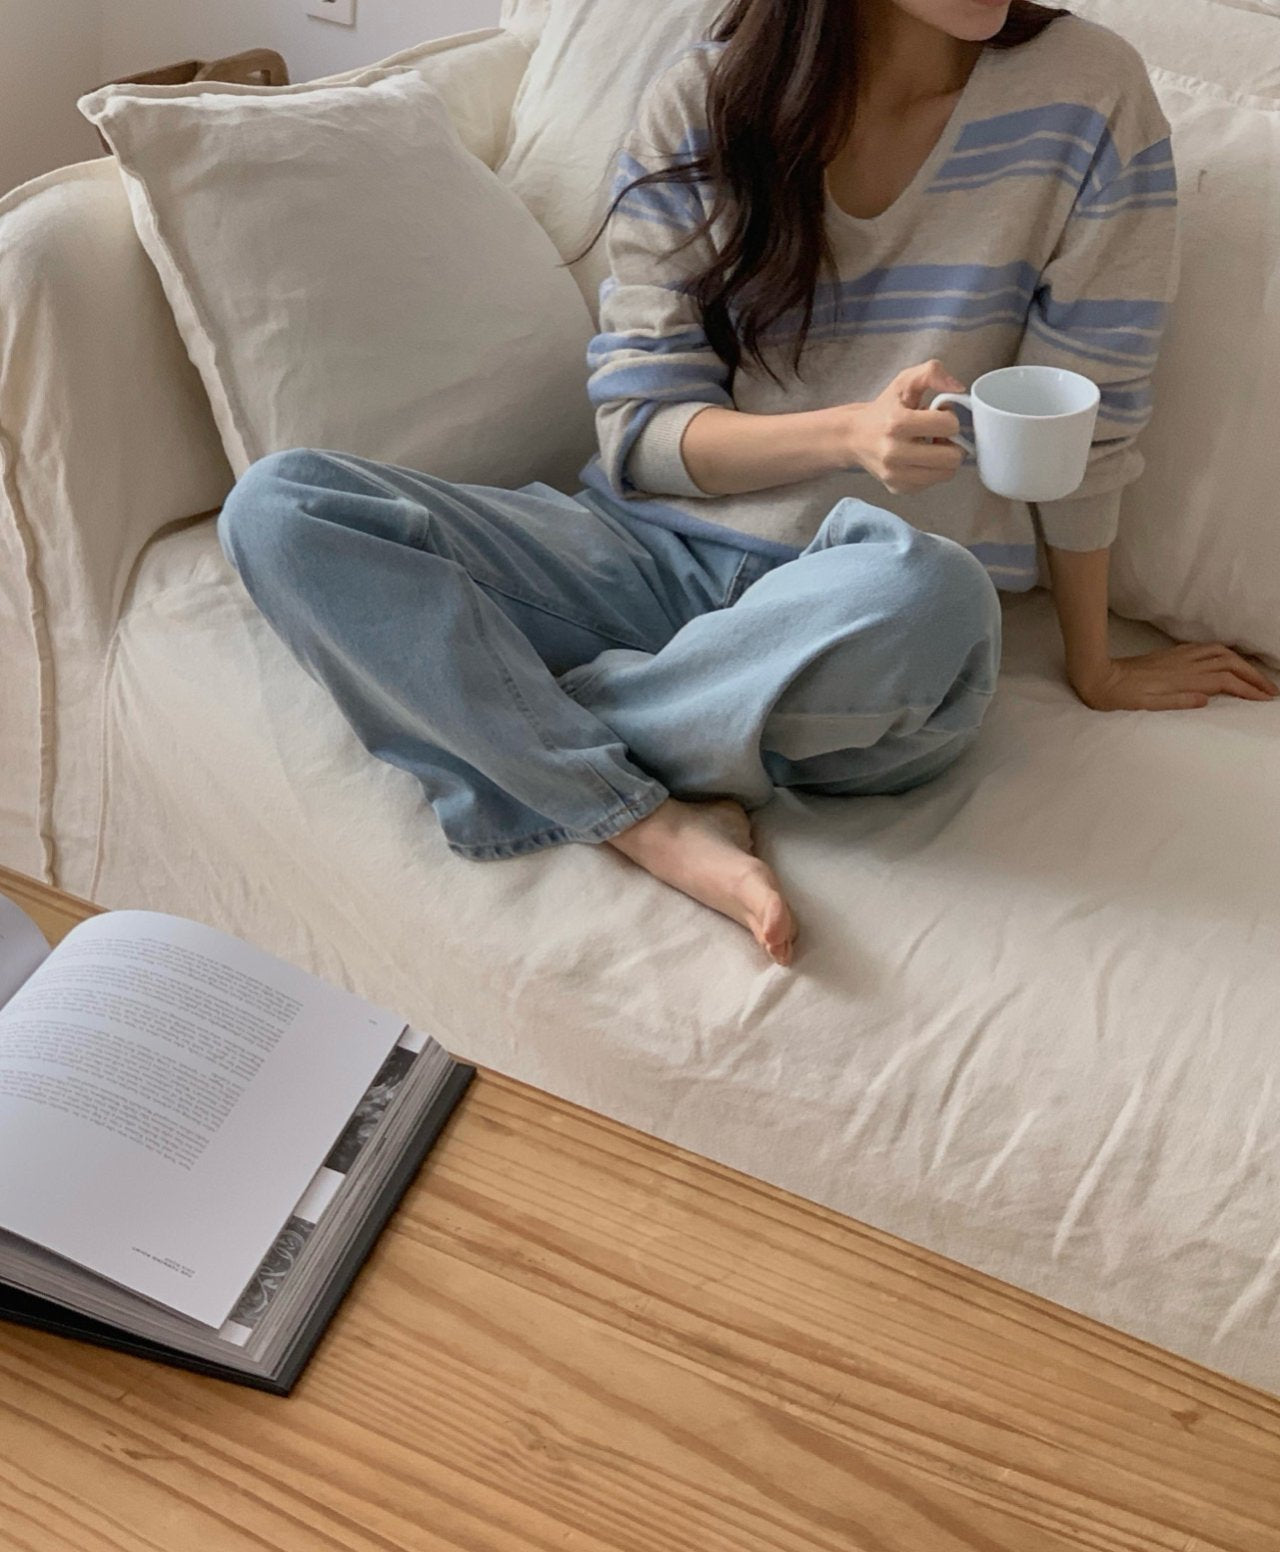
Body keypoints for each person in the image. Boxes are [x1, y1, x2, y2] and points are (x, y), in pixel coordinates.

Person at [218, 0, 1277, 970]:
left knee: (934, 600)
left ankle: (514, 719)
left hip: (857, 611)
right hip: (645, 557)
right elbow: (640, 429)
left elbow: (1088, 411)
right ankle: (639, 812)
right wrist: (845, 435)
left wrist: (1093, 666)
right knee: (283, 507)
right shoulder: (708, 101)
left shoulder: (1089, 95)